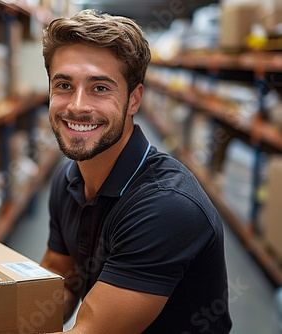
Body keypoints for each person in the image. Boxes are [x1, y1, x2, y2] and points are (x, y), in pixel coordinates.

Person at [39, 9, 233, 334]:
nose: (76, 105)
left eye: (100, 88)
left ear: (134, 99)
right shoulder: (69, 178)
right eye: (63, 85)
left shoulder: (166, 207)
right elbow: (61, 281)